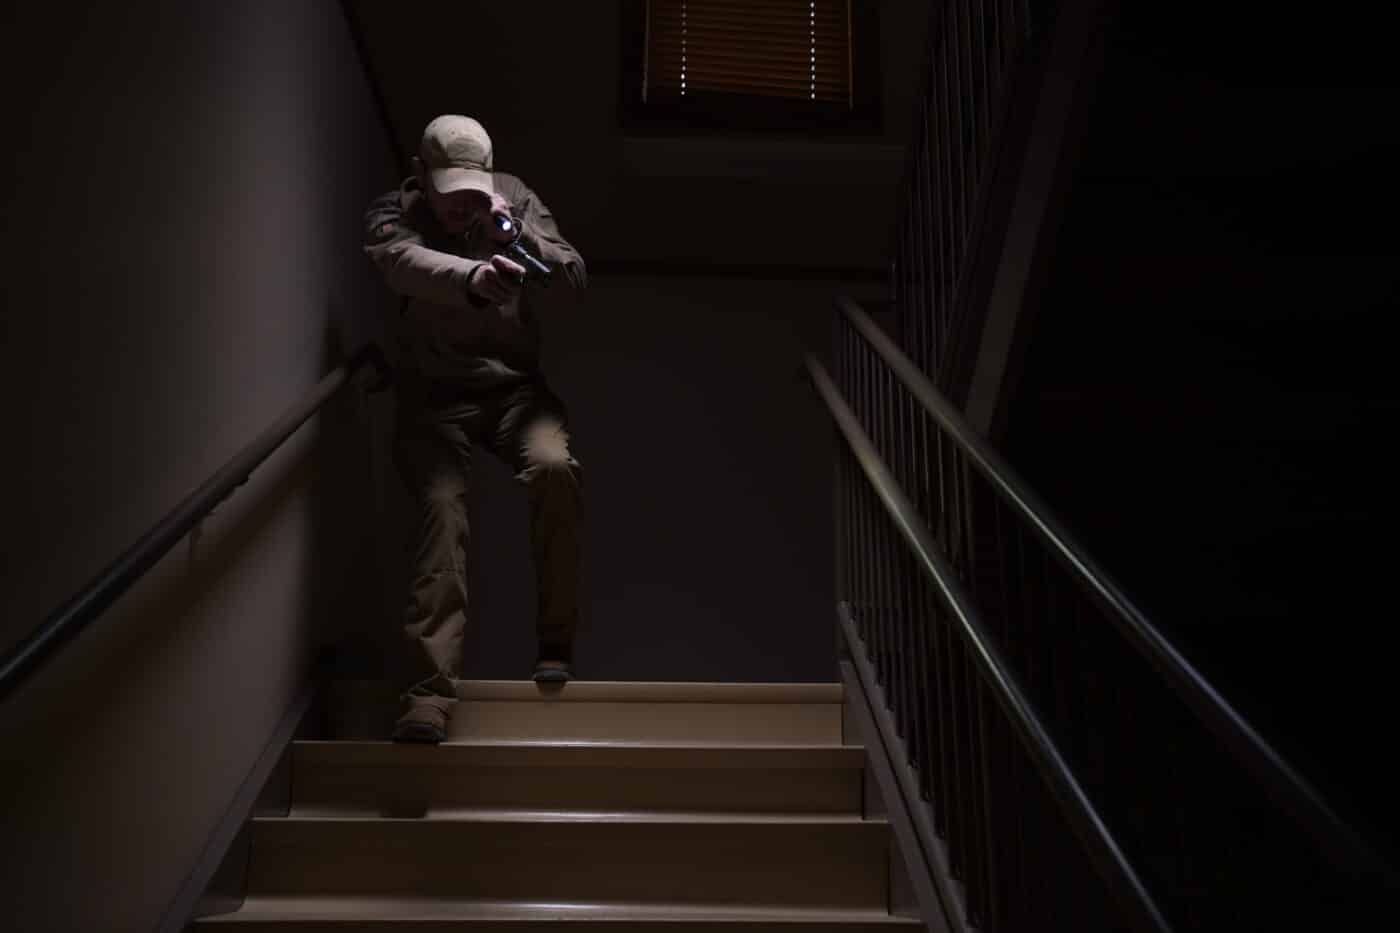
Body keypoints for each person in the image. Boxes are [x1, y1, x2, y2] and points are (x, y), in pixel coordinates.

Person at [362, 114, 586, 744]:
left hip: (515, 391)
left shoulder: (510, 196)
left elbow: (572, 275)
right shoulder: (394, 209)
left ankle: (556, 642)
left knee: (554, 469)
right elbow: (399, 262)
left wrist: (516, 239)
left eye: (471, 188)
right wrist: (472, 277)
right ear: (418, 175)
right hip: (434, 398)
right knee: (440, 517)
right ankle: (428, 698)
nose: (462, 204)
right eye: (449, 190)